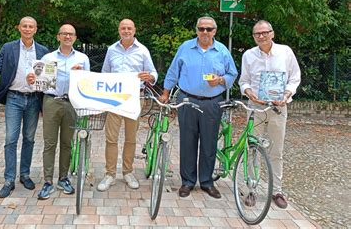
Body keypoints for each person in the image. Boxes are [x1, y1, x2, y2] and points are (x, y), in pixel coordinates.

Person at [159, 16, 238, 199]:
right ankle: (187, 181)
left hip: (212, 102)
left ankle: (206, 182)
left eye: (208, 29)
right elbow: (173, 71)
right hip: (188, 100)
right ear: (196, 30)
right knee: (187, 141)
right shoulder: (185, 48)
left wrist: (220, 80)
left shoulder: (222, 51)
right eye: (201, 29)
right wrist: (165, 92)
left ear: (214, 31)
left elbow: (232, 73)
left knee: (209, 143)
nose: (204, 32)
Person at [0, 16, 48, 198]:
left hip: (34, 100)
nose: (28, 29)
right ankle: (8, 179)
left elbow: (47, 78)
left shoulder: (43, 51)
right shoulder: (8, 48)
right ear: (19, 28)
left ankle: (25, 175)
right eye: (25, 26)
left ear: (36, 30)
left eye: (31, 26)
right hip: (14, 98)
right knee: (10, 139)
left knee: (29, 138)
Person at [238, 20, 301, 209]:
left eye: (264, 32)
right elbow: (244, 82)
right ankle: (251, 189)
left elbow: (295, 77)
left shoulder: (285, 52)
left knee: (276, 151)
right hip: (256, 107)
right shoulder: (248, 55)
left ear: (272, 33)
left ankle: (277, 191)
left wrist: (287, 95)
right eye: (257, 33)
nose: (261, 36)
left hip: (278, 108)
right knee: (252, 149)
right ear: (253, 36)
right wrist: (250, 94)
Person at [26, 24, 90, 200]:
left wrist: (83, 74)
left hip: (72, 103)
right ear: (58, 37)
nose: (68, 37)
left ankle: (63, 178)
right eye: (64, 34)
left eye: (71, 34)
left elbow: (88, 83)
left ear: (75, 38)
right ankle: (48, 181)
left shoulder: (83, 58)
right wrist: (31, 78)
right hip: (51, 102)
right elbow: (37, 81)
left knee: (67, 143)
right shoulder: (47, 57)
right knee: (49, 143)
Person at [97, 18, 158, 192]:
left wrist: (150, 77)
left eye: (129, 28)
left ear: (134, 30)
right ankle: (110, 174)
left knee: (131, 138)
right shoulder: (111, 50)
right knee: (111, 138)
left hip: (135, 98)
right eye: (123, 28)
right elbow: (105, 74)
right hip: (114, 98)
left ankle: (128, 172)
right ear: (119, 30)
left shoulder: (143, 50)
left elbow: (153, 73)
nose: (126, 31)